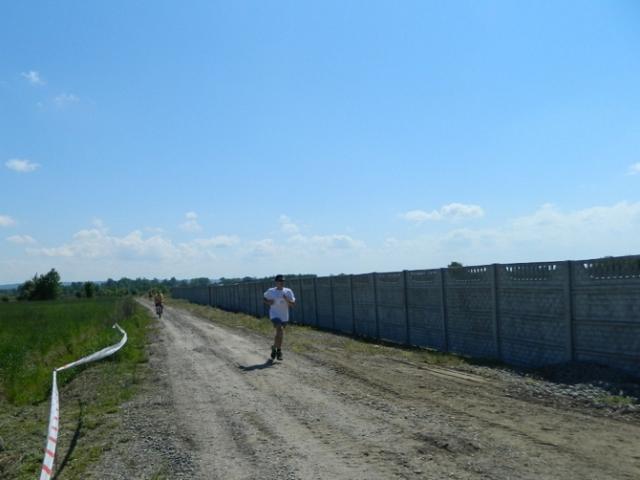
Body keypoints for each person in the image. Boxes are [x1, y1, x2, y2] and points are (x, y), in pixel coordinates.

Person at [263, 274, 296, 361]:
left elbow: (292, 305)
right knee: (280, 330)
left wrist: (286, 299)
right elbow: (264, 298)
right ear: (276, 282)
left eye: (283, 281)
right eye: (280, 281)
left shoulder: (288, 291)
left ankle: (274, 347)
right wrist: (268, 302)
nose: (282, 282)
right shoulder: (271, 291)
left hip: (284, 316)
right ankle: (279, 351)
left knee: (279, 334)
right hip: (274, 315)